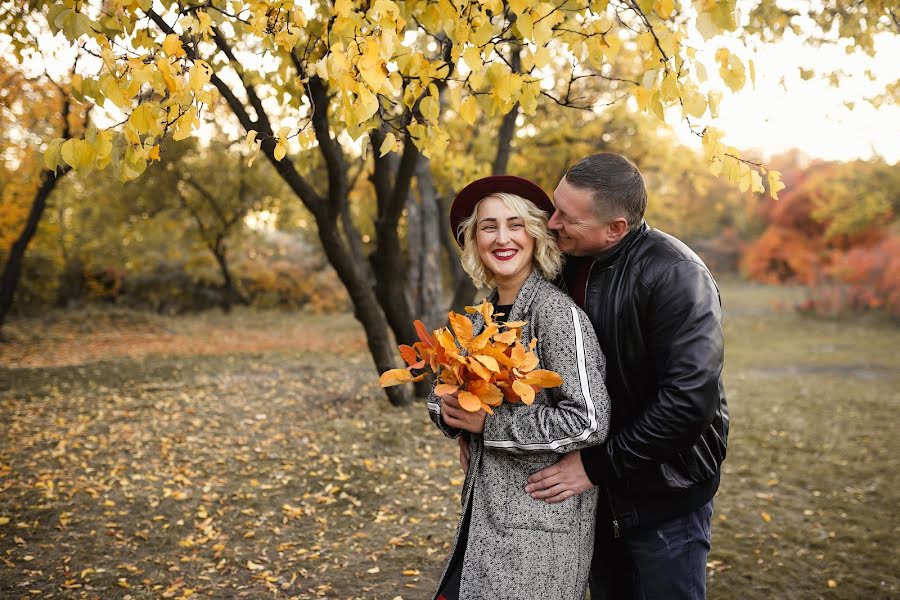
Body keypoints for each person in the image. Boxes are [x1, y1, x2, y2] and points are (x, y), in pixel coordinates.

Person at [521, 153, 729, 599]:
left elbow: (688, 402)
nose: (551, 222)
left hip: (663, 492)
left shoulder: (675, 275)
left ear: (615, 227)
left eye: (567, 217)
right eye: (555, 206)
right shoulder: (562, 264)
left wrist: (596, 467)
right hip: (592, 495)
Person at [427, 175, 611, 600]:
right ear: (474, 239)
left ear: (534, 233)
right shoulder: (478, 318)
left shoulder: (555, 315)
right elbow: (439, 395)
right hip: (484, 516)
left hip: (539, 527)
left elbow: (588, 421)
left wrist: (487, 427)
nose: (502, 237)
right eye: (488, 227)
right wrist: (451, 417)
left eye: (515, 224)